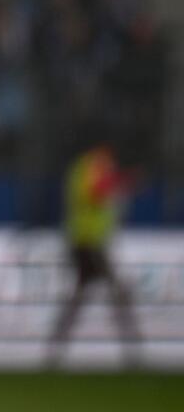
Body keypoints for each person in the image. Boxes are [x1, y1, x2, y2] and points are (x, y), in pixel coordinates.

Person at [46, 139, 143, 367]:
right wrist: (123, 182)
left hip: (88, 241)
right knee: (116, 292)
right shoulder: (89, 168)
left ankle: (55, 347)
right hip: (88, 243)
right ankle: (133, 348)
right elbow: (95, 192)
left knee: (80, 296)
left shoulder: (87, 168)